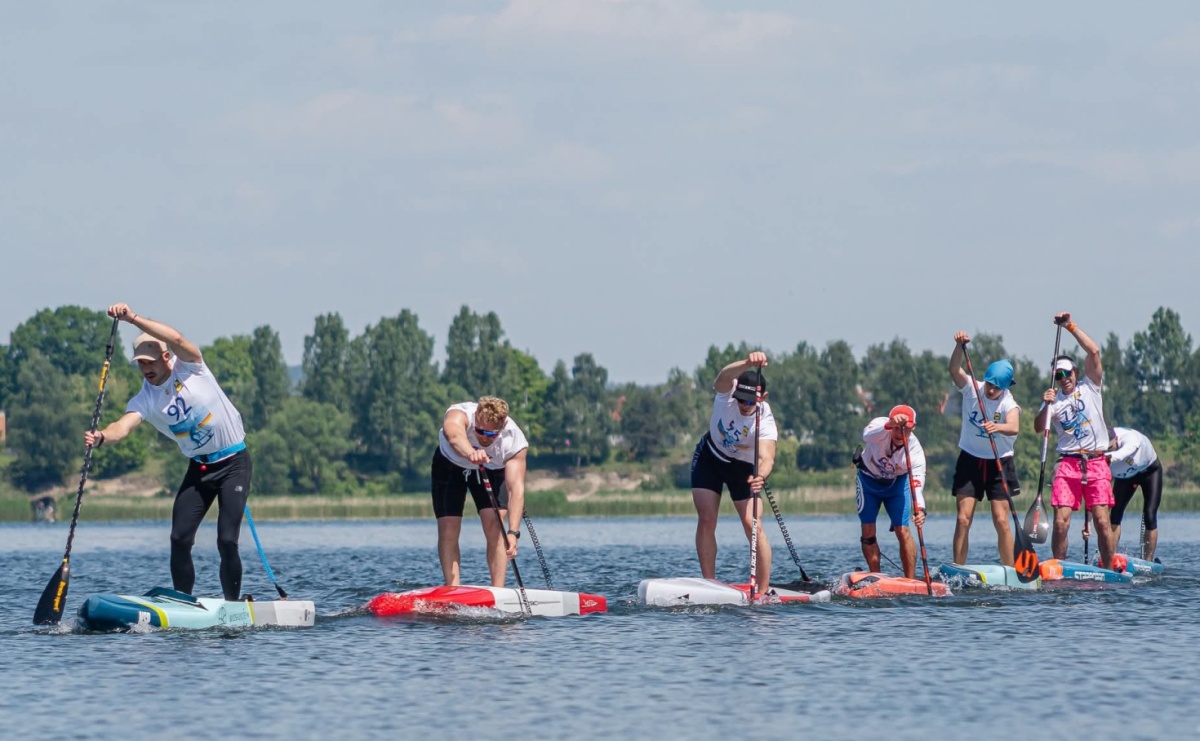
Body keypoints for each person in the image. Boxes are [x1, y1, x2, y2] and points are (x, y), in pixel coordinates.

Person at [83, 303, 250, 600]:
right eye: (140, 363)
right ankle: (182, 603)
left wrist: (132, 318)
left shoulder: (191, 367)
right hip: (199, 469)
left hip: (233, 463)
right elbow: (123, 426)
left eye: (151, 362)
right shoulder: (145, 399)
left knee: (226, 540)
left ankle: (233, 606)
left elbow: (176, 338)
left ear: (166, 358)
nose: (146, 369)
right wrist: (101, 437)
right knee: (179, 538)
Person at [1033, 312, 1117, 568]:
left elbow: (1094, 351)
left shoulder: (1090, 385)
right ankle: (1059, 566)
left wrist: (1069, 326)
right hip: (1067, 464)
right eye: (1058, 376)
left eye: (1067, 374)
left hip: (1096, 462)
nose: (1064, 380)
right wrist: (1046, 406)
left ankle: (1108, 566)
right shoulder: (1053, 400)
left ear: (1075, 372)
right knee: (1060, 522)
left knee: (1102, 521)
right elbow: (1039, 428)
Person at [690, 351, 776, 597]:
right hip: (710, 458)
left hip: (743, 468)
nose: (744, 405)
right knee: (707, 519)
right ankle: (709, 584)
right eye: (742, 400)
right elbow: (722, 377)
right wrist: (748, 363)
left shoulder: (765, 418)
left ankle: (762, 590)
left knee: (753, 525)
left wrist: (761, 475)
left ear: (762, 398)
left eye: (750, 401)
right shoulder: (726, 394)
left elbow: (767, 456)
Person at [432, 396, 527, 587]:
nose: (484, 437)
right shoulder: (459, 414)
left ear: (503, 426)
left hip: (491, 468)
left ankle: (498, 590)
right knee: (449, 527)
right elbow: (454, 436)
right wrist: (470, 452)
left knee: (495, 524)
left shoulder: (514, 440)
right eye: (480, 431)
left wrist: (513, 532)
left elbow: (515, 490)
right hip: (450, 464)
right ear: (475, 417)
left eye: (491, 435)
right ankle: (452, 588)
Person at [947, 332, 1021, 566]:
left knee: (1001, 519)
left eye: (996, 387)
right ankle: (958, 568)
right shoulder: (972, 389)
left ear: (1006, 387)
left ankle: (1009, 571)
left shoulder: (1008, 402)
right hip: (970, 460)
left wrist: (996, 427)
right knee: (963, 518)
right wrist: (959, 346)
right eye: (989, 384)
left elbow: (1014, 426)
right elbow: (954, 369)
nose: (990, 390)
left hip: (1000, 463)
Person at [853, 405, 927, 579]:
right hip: (868, 482)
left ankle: (910, 580)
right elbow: (867, 435)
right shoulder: (881, 426)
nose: (899, 433)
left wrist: (920, 509)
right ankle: (875, 577)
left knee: (903, 531)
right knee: (868, 530)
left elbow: (916, 483)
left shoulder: (915, 452)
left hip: (897, 486)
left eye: (905, 430)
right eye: (895, 429)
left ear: (913, 428)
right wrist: (889, 424)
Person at [1106, 426, 1162, 561]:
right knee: (1115, 514)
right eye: (1105, 448)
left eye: (1110, 446)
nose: (1108, 450)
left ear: (1116, 439)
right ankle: (1110, 558)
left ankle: (1148, 560)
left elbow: (1128, 450)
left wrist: (1107, 457)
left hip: (1150, 471)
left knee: (1149, 515)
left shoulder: (1130, 439)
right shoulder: (1099, 449)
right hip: (1126, 477)